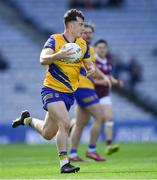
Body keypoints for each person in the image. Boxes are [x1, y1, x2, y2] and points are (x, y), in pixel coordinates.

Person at [12, 9, 95, 173]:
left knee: (48, 133)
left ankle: (27, 120)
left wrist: (90, 67)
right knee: (64, 122)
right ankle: (64, 163)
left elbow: (87, 63)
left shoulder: (82, 44)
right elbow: (43, 59)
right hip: (51, 89)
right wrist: (58, 55)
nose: (82, 28)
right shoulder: (55, 40)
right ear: (70, 25)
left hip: (68, 93)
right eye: (80, 24)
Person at [69, 23, 111, 161]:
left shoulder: (90, 49)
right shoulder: (78, 47)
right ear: (80, 33)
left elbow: (92, 68)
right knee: (100, 117)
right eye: (85, 32)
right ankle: (91, 150)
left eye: (90, 33)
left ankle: (73, 154)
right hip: (82, 88)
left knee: (80, 123)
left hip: (86, 88)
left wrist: (103, 77)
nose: (88, 35)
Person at [94, 39, 123, 155]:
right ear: (95, 49)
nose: (102, 49)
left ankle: (109, 145)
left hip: (104, 95)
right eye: (99, 47)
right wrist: (103, 82)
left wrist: (116, 82)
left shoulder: (109, 62)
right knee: (85, 121)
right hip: (92, 94)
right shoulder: (93, 61)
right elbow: (89, 79)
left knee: (109, 118)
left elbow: (108, 77)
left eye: (104, 47)